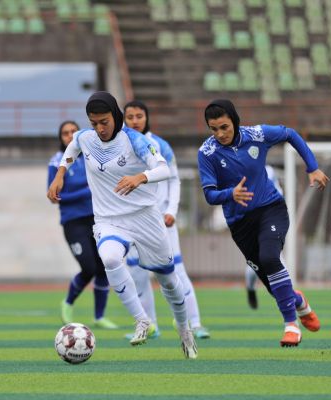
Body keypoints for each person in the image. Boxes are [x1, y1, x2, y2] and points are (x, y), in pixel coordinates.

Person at [48, 91, 197, 359]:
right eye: (94, 123)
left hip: (145, 216)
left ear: (115, 116)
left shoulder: (135, 140)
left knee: (168, 280)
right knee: (109, 257)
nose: (99, 128)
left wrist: (140, 177)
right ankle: (142, 320)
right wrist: (60, 174)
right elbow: (72, 149)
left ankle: (184, 329)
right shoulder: (86, 137)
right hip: (109, 219)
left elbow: (164, 170)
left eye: (104, 121)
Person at [197, 99, 329, 347]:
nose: (220, 134)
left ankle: (291, 325)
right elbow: (209, 194)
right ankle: (298, 302)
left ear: (234, 121)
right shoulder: (207, 153)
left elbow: (290, 134)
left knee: (270, 258)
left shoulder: (256, 135)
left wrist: (312, 167)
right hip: (239, 224)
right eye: (213, 129)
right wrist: (230, 194)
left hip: (271, 209)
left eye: (224, 127)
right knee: (273, 286)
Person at [123, 100, 210, 339]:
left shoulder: (160, 145)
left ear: (146, 117)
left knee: (177, 272)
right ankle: (149, 326)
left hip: (161, 220)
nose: (134, 121)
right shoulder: (119, 146)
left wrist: (171, 209)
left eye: (139, 116)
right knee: (138, 275)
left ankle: (195, 323)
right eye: (129, 117)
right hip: (132, 221)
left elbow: (173, 179)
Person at [47, 120, 118, 329]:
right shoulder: (57, 162)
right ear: (60, 138)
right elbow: (53, 196)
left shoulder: (91, 157)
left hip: (97, 219)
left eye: (73, 132)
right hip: (73, 222)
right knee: (88, 268)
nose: (70, 135)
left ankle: (99, 316)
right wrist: (87, 191)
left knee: (104, 266)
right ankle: (67, 303)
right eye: (65, 133)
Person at [245, 165, 283, 310]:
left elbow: (279, 193)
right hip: (251, 223)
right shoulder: (242, 171)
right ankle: (250, 288)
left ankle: (287, 305)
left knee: (276, 259)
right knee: (253, 264)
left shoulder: (270, 171)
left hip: (271, 222)